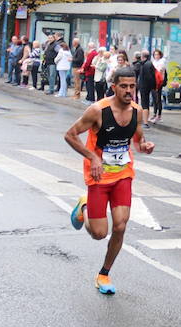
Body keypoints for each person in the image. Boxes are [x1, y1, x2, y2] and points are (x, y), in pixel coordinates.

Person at [63, 66, 155, 296]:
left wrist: (144, 146)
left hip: (123, 174)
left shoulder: (137, 111)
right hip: (99, 176)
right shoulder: (97, 110)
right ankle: (84, 205)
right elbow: (70, 134)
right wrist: (92, 157)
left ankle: (104, 273)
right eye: (123, 86)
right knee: (99, 233)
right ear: (113, 87)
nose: (128, 91)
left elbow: (138, 140)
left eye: (132, 86)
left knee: (121, 225)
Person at [133, 50, 156, 126]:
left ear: (142, 56)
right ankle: (145, 120)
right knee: (145, 103)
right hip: (147, 86)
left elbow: (149, 77)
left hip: (145, 87)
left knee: (144, 104)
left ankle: (145, 122)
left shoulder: (146, 65)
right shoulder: (148, 63)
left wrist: (149, 86)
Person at [150, 49, 167, 122]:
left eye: (157, 54)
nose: (156, 56)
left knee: (158, 99)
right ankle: (154, 113)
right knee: (154, 99)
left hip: (159, 83)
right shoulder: (154, 62)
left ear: (160, 55)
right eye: (155, 55)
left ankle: (159, 115)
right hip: (153, 82)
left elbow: (158, 71)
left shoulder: (161, 62)